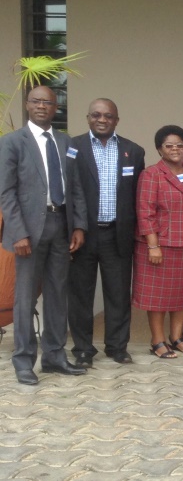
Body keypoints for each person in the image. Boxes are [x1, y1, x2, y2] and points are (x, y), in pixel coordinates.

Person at [0, 86, 87, 385]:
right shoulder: (12, 142)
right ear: (27, 105)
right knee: (24, 298)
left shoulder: (65, 141)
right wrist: (18, 232)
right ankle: (24, 361)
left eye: (47, 102)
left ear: (55, 107)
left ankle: (54, 356)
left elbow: (75, 186)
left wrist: (78, 225)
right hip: (28, 231)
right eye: (36, 101)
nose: (41, 106)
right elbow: (6, 192)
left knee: (57, 294)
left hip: (61, 225)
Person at [68, 98, 145, 367]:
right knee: (80, 294)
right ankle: (82, 349)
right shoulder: (71, 148)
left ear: (116, 120)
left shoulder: (133, 151)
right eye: (97, 115)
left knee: (118, 293)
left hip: (117, 234)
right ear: (88, 117)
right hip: (82, 234)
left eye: (108, 116)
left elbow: (138, 196)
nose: (102, 120)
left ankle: (117, 346)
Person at [133, 126, 183, 359]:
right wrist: (153, 245)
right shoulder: (151, 175)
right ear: (159, 149)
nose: (175, 149)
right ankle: (157, 340)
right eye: (169, 146)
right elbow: (145, 211)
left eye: (180, 145)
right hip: (160, 246)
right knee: (157, 298)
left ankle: (176, 337)